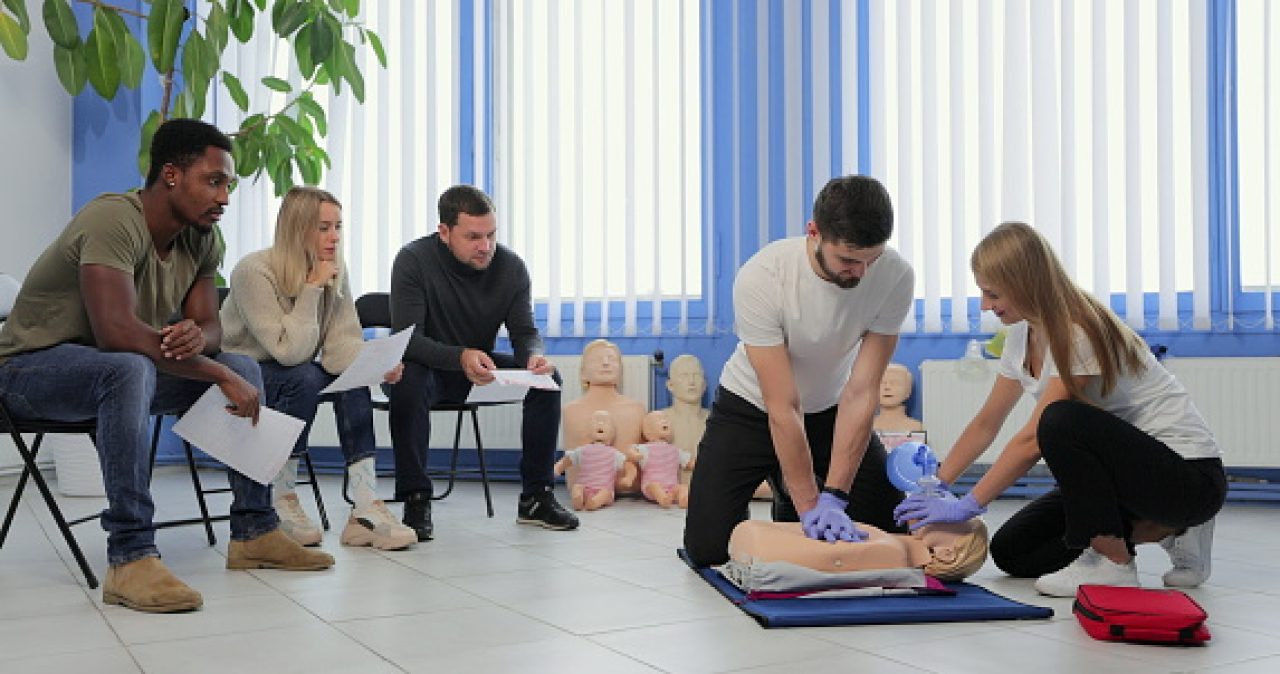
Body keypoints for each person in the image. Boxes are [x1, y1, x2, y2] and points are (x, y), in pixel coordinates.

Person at [0, 119, 333, 614]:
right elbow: (116, 333)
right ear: (172, 175)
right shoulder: (113, 220)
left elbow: (211, 329)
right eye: (213, 181)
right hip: (29, 372)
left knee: (242, 363)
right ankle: (130, 556)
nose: (224, 196)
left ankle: (255, 530)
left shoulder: (201, 237)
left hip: (117, 372)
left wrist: (205, 339)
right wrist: (218, 373)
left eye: (229, 185)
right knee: (137, 368)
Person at [893, 222, 1225, 597]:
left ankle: (1114, 560)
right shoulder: (1021, 334)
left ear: (1025, 284)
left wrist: (969, 504)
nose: (985, 305)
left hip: (1187, 479)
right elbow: (986, 423)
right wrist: (937, 486)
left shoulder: (1080, 328)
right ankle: (1161, 528)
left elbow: (1033, 438)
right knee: (1014, 552)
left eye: (993, 293)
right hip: (1124, 482)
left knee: (1059, 420)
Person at [682, 174, 915, 567]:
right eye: (848, 260)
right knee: (708, 550)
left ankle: (788, 491)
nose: (860, 273)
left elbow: (862, 392)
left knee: (890, 526)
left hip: (827, 409)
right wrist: (809, 504)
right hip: (750, 409)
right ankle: (788, 487)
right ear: (814, 232)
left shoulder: (895, 276)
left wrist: (835, 496)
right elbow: (782, 404)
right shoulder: (764, 276)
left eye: (870, 260)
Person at [220, 186, 417, 551]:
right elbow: (287, 352)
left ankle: (364, 506)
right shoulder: (253, 271)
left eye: (338, 227)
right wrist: (311, 289)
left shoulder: (333, 269)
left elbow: (342, 345)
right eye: (323, 228)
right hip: (241, 374)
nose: (334, 237)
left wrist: (373, 365)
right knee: (306, 375)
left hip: (293, 373)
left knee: (351, 380)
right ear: (297, 229)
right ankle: (282, 496)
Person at [388, 184, 578, 539]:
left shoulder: (510, 268)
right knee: (408, 381)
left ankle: (536, 496)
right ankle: (416, 497)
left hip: (477, 374)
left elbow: (524, 332)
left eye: (491, 234)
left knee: (548, 383)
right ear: (444, 232)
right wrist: (458, 355)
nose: (485, 246)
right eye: (473, 237)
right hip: (426, 369)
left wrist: (534, 357)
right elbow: (408, 341)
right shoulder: (413, 260)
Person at [562, 338, 646, 493]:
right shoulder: (571, 410)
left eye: (612, 359)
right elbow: (573, 466)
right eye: (597, 360)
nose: (606, 363)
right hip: (586, 488)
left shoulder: (637, 409)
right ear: (583, 373)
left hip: (629, 487)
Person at [553, 410, 632, 511]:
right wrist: (558, 468)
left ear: (612, 432)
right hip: (584, 485)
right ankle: (577, 498)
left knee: (606, 493)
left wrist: (629, 477)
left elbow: (627, 464)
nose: (600, 423)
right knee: (576, 487)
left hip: (604, 489)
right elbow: (569, 459)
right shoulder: (583, 450)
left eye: (605, 422)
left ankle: (595, 502)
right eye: (596, 421)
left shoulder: (614, 454)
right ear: (589, 431)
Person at [623, 410, 692, 508]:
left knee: (683, 487)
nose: (665, 421)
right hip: (650, 486)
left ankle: (684, 499)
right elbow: (629, 450)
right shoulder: (646, 448)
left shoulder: (675, 450)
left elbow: (689, 462)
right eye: (659, 420)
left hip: (672, 486)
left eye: (666, 419)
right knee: (654, 486)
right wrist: (634, 455)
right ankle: (663, 498)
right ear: (648, 432)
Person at [659, 354, 710, 486]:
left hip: (709, 495)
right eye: (684, 376)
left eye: (696, 375)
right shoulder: (658, 422)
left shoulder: (716, 422)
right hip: (669, 496)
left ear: (704, 385)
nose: (692, 382)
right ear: (670, 385)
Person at [873, 363, 925, 440]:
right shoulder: (867, 427)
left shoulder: (916, 427)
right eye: (882, 383)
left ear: (908, 391)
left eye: (895, 383)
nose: (887, 387)